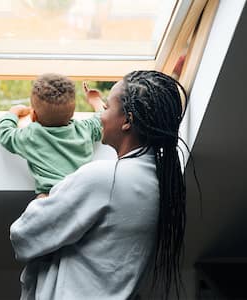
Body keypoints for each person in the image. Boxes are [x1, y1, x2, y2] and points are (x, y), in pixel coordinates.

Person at [10, 70, 188, 300]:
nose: (101, 114)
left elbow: (24, 236)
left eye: (108, 107)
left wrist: (44, 198)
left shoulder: (105, 179)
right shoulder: (162, 181)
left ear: (127, 121)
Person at [0, 73, 104, 198]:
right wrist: (95, 101)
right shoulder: (84, 129)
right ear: (72, 113)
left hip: (50, 197)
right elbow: (101, 119)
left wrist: (13, 112)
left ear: (33, 116)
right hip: (81, 195)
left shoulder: (32, 135)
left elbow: (4, 134)